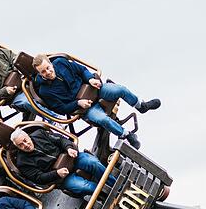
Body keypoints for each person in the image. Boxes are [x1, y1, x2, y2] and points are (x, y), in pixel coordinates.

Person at [31, 54, 162, 149]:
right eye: (43, 72)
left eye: (48, 67)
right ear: (40, 74)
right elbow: (61, 108)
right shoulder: (45, 91)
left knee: (120, 89)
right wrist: (78, 104)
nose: (48, 72)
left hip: (92, 89)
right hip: (84, 106)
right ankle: (126, 135)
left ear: (50, 63)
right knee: (102, 119)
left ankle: (141, 106)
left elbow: (81, 70)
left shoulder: (60, 62)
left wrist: (90, 79)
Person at [10, 127, 114, 196]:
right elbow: (39, 178)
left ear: (28, 136)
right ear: (17, 147)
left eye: (25, 140)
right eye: (21, 145)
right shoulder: (22, 162)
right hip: (61, 178)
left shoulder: (39, 134)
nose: (25, 145)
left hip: (71, 158)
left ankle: (114, 184)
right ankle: (109, 194)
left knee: (93, 163)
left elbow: (60, 140)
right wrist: (56, 173)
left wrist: (68, 148)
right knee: (83, 187)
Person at [0, 46, 59, 120]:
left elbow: (14, 58)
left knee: (45, 84)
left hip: (24, 80)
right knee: (27, 102)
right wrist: (5, 91)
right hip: (12, 96)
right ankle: (55, 119)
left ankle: (63, 106)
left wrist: (16, 71)